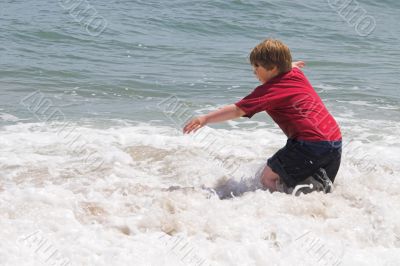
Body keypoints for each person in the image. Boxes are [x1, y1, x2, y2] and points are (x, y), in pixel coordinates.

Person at [183, 39, 342, 194]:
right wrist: (290, 65)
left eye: (257, 66)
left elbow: (238, 110)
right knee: (320, 188)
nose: (254, 71)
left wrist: (205, 119)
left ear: (273, 68)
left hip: (309, 144)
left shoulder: (269, 91)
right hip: (334, 140)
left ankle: (283, 208)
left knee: (267, 179)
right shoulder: (295, 74)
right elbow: (287, 68)